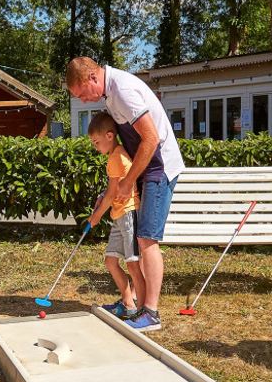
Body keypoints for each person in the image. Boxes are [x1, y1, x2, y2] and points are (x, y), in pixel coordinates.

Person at [67, 57, 185, 332]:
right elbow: (126, 149)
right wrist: (114, 187)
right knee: (141, 240)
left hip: (159, 167)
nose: (84, 101)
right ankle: (134, 305)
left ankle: (151, 313)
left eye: (82, 93)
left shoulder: (122, 90)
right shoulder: (110, 95)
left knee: (146, 239)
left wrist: (128, 181)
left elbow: (151, 139)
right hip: (146, 168)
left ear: (93, 78)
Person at [86, 111, 146, 320]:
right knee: (111, 261)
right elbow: (112, 190)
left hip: (128, 213)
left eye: (96, 142)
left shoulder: (116, 157)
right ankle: (128, 302)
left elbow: (113, 194)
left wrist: (95, 217)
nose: (95, 147)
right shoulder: (115, 155)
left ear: (109, 136)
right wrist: (103, 198)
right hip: (118, 215)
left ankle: (142, 310)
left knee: (132, 263)